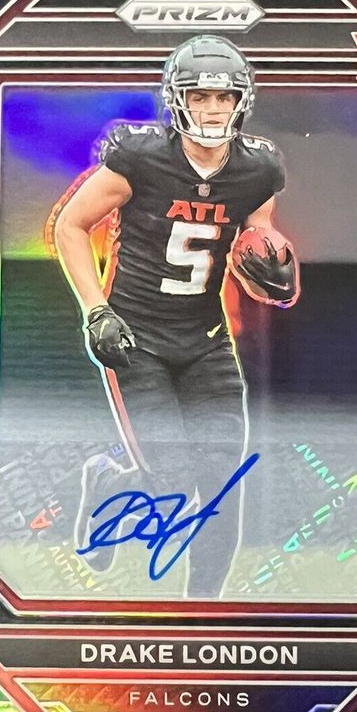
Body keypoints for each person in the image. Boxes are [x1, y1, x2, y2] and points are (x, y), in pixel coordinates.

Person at [53, 34, 297, 598]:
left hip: (206, 340)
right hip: (136, 338)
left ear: (241, 102)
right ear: (177, 100)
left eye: (223, 97)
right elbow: (70, 225)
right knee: (171, 479)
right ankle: (107, 483)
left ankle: (202, 612)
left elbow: (257, 230)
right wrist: (96, 310)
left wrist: (272, 261)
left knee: (222, 486)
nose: (212, 109)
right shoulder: (140, 158)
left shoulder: (259, 168)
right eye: (199, 96)